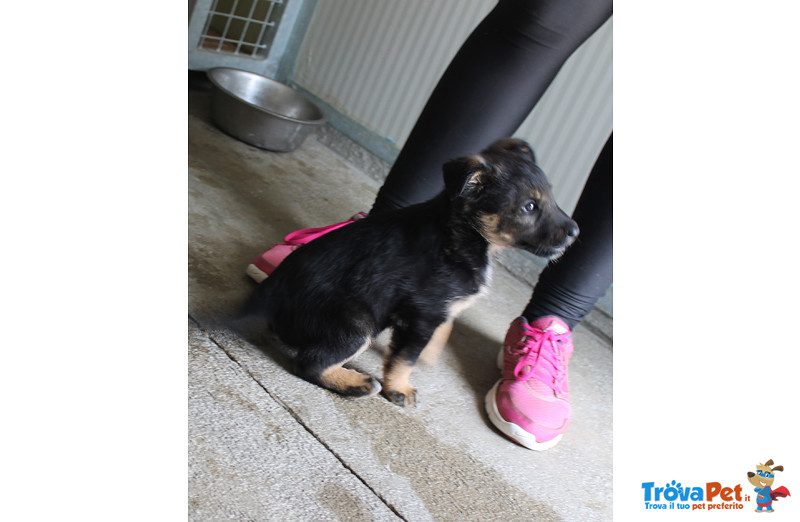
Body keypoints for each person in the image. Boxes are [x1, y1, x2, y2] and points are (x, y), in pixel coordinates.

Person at [247, 0, 612, 450]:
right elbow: (417, 322)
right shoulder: (449, 265)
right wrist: (399, 377)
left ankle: (552, 322)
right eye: (532, 209)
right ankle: (320, 359)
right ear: (472, 193)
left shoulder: (457, 252)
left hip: (350, 284)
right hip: (327, 311)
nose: (564, 224)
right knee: (541, 17)